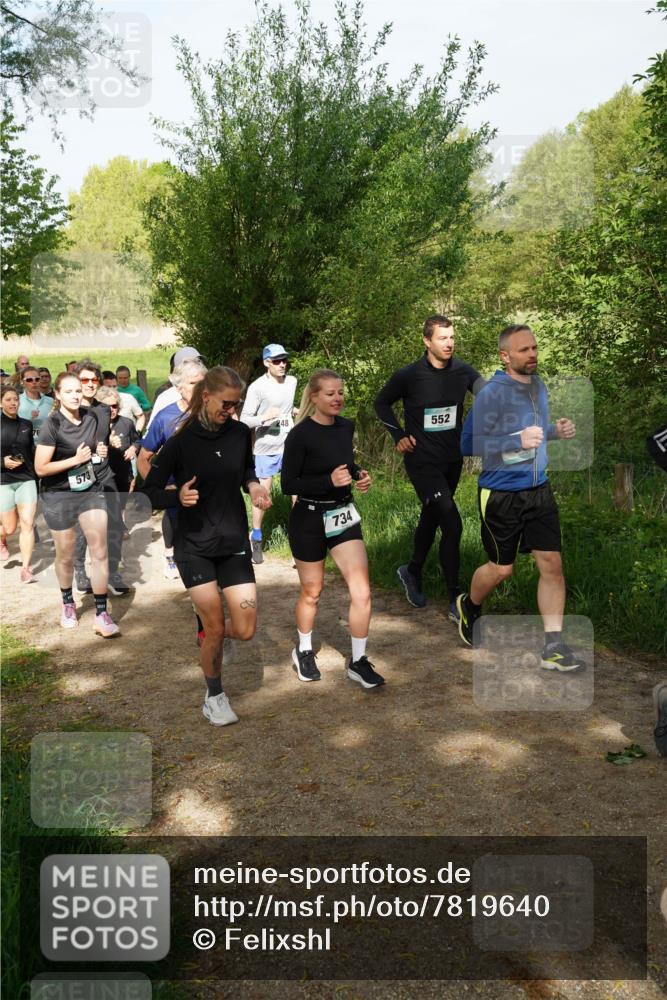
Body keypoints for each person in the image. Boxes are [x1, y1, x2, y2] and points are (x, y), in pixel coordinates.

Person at [141, 366, 272, 726]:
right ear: (206, 396)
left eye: (236, 404)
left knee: (244, 629)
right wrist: (176, 497)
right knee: (215, 626)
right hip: (194, 545)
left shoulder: (241, 433)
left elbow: (247, 472)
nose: (231, 410)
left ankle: (208, 635)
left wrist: (256, 488)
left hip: (232, 541)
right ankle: (214, 696)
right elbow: (147, 492)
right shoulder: (181, 442)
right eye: (227, 404)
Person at [458, 324, 580, 671]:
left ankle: (554, 646)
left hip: (539, 489)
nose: (532, 355)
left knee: (552, 565)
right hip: (501, 494)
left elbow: (535, 436)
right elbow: (468, 445)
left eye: (534, 348)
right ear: (505, 356)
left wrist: (555, 432)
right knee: (502, 569)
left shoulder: (537, 386)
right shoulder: (491, 394)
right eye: (524, 350)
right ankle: (469, 605)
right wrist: (515, 439)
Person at [281, 369, 384, 689]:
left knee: (362, 591)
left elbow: (343, 463)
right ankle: (305, 650)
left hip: (342, 514)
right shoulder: (299, 435)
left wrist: (358, 474)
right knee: (312, 592)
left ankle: (358, 661)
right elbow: (288, 484)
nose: (337, 398)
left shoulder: (346, 426)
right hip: (309, 517)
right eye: (330, 394)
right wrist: (327, 481)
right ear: (314, 397)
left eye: (340, 392)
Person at [374, 315, 481, 620]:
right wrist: (398, 435)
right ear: (427, 341)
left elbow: (489, 393)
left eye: (452, 337)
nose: (449, 343)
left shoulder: (462, 371)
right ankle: (455, 599)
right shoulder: (409, 375)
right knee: (452, 523)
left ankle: (412, 570)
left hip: (452, 459)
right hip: (422, 462)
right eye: (442, 338)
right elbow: (381, 403)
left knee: (433, 515)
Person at [34, 373, 119, 636]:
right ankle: (68, 602)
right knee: (66, 555)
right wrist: (75, 460)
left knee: (100, 550)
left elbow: (95, 447)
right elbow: (40, 468)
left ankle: (102, 613)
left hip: (89, 491)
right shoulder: (52, 425)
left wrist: (99, 453)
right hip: (58, 495)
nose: (75, 395)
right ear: (58, 395)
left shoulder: (92, 416)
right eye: (68, 391)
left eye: (77, 391)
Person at [136, 358, 206, 583]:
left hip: (214, 499)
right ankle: (174, 560)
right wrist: (164, 491)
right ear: (179, 388)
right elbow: (143, 460)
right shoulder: (165, 417)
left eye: (204, 382)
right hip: (180, 501)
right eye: (194, 383)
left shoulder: (216, 413)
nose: (202, 388)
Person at [72, 360, 127, 596]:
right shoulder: (68, 410)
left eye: (94, 380)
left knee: (115, 525)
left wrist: (111, 441)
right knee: (83, 530)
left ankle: (112, 571)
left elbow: (104, 434)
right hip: (79, 476)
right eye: (84, 380)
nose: (90, 384)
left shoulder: (104, 409)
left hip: (104, 474)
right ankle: (80, 573)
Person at [240, 343, 298, 563]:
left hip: (290, 445)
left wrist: (298, 412)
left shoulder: (292, 382)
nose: (282, 364)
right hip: (266, 448)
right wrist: (264, 418)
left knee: (297, 495)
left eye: (284, 360)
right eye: (276, 361)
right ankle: (256, 537)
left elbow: (287, 408)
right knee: (263, 497)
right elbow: (245, 420)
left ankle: (298, 545)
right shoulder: (257, 387)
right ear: (266, 363)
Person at [1, 385, 38, 581]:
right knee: (9, 528)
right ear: (0, 403)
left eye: (15, 399)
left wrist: (37, 475)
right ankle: (2, 539)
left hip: (26, 479)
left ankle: (26, 568)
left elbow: (31, 452)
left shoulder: (26, 424)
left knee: (28, 523)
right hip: (3, 481)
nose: (13, 403)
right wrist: (2, 462)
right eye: (8, 399)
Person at [145, 346, 205, 429]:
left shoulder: (212, 395)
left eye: (199, 362)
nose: (197, 366)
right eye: (192, 363)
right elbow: (153, 433)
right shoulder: (166, 396)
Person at [18, 366, 53, 441]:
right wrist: (30, 419)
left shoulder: (50, 401)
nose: (34, 382)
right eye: (29, 380)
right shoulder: (17, 401)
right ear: (22, 382)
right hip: (24, 445)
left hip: (48, 445)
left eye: (37, 379)